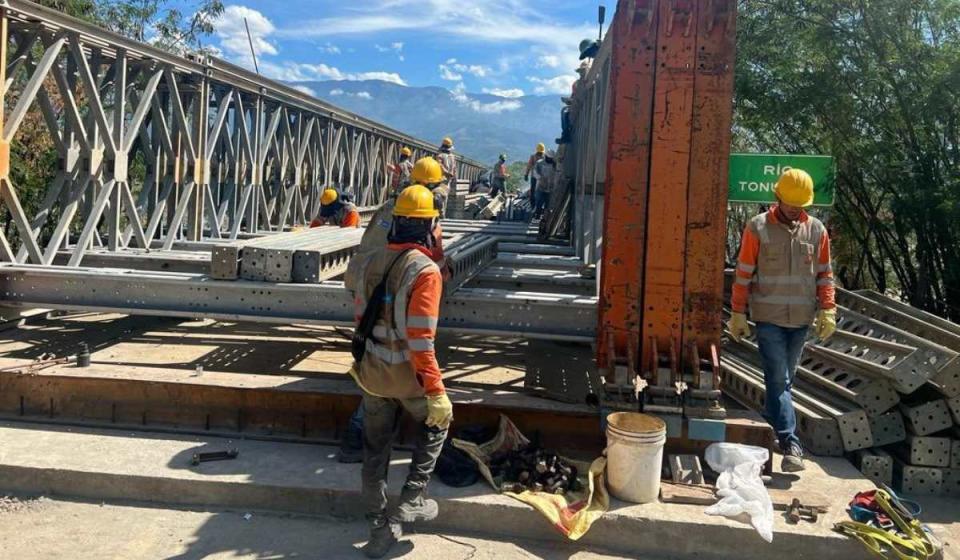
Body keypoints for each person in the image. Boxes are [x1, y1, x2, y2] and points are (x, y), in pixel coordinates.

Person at [345, 184, 453, 558]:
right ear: (428, 228)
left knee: (374, 453)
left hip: (372, 376)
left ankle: (379, 533)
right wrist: (436, 390)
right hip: (408, 379)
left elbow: (362, 317)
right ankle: (413, 497)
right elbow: (421, 340)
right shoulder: (425, 271)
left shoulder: (368, 262)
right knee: (438, 423)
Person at [337, 160, 450, 465]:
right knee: (400, 349)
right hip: (391, 283)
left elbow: (367, 244)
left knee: (374, 349)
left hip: (362, 279)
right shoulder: (425, 219)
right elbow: (433, 259)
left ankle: (355, 440)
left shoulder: (391, 207)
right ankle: (435, 452)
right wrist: (441, 275)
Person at [726, 168, 836, 474]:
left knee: (783, 379)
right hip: (768, 319)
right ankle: (791, 443)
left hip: (800, 320)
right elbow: (743, 273)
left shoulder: (816, 231)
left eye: (800, 205)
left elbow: (825, 274)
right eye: (789, 203)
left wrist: (828, 309)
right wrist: (737, 311)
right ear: (778, 197)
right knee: (779, 378)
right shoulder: (757, 228)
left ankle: (771, 432)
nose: (794, 209)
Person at [435, 137, 457, 216]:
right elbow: (454, 168)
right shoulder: (452, 157)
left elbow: (439, 165)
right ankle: (442, 214)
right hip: (448, 180)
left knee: (438, 195)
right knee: (445, 196)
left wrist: (446, 172)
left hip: (441, 178)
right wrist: (453, 176)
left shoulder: (440, 155)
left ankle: (440, 214)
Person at [533, 149, 557, 219]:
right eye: (549, 158)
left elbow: (557, 174)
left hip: (550, 188)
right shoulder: (539, 163)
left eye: (551, 158)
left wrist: (554, 183)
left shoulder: (554, 164)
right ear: (546, 156)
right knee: (539, 201)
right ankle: (537, 214)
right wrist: (540, 178)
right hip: (540, 187)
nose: (550, 159)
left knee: (548, 203)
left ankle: (546, 217)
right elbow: (534, 172)